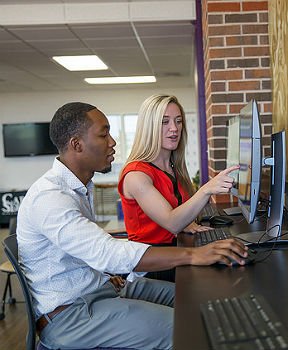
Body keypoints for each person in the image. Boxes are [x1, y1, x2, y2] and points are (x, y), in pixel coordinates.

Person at [16, 102, 248, 350]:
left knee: (198, 298)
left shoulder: (78, 188)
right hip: (71, 315)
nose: (113, 142)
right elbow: (106, 252)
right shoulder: (50, 198)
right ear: (76, 144)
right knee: (188, 328)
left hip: (100, 290)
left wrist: (103, 277)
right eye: (104, 134)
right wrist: (194, 254)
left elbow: (81, 250)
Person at [118, 94, 239, 281]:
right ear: (149, 127)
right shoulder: (136, 174)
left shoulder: (173, 166)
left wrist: (187, 222)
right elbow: (171, 222)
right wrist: (206, 189)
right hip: (152, 266)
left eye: (178, 121)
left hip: (173, 253)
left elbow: (174, 217)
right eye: (164, 122)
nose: (174, 129)